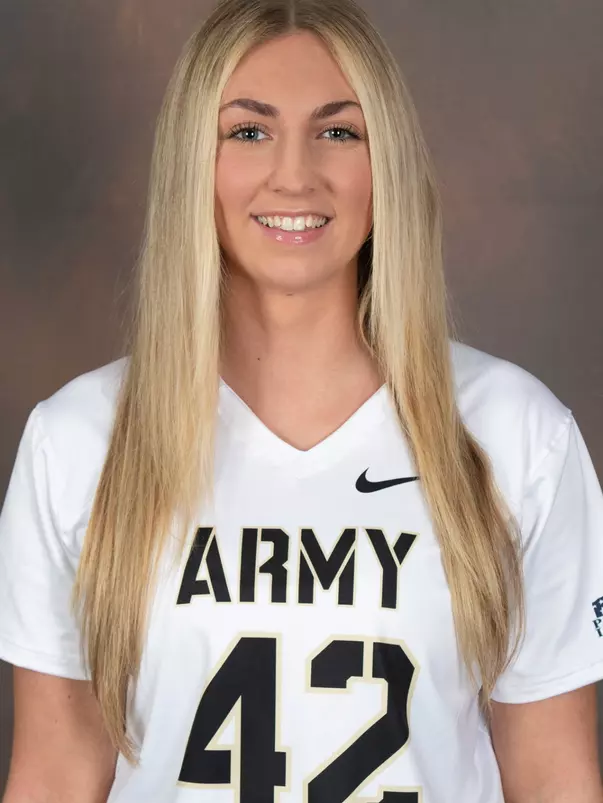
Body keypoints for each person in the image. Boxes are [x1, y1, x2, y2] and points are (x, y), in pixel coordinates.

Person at [1, 0, 603, 801]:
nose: (294, 174)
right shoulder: (77, 441)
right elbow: (54, 774)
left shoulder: (517, 436)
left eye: (338, 131)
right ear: (194, 162)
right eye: (247, 131)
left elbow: (552, 774)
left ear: (383, 161)